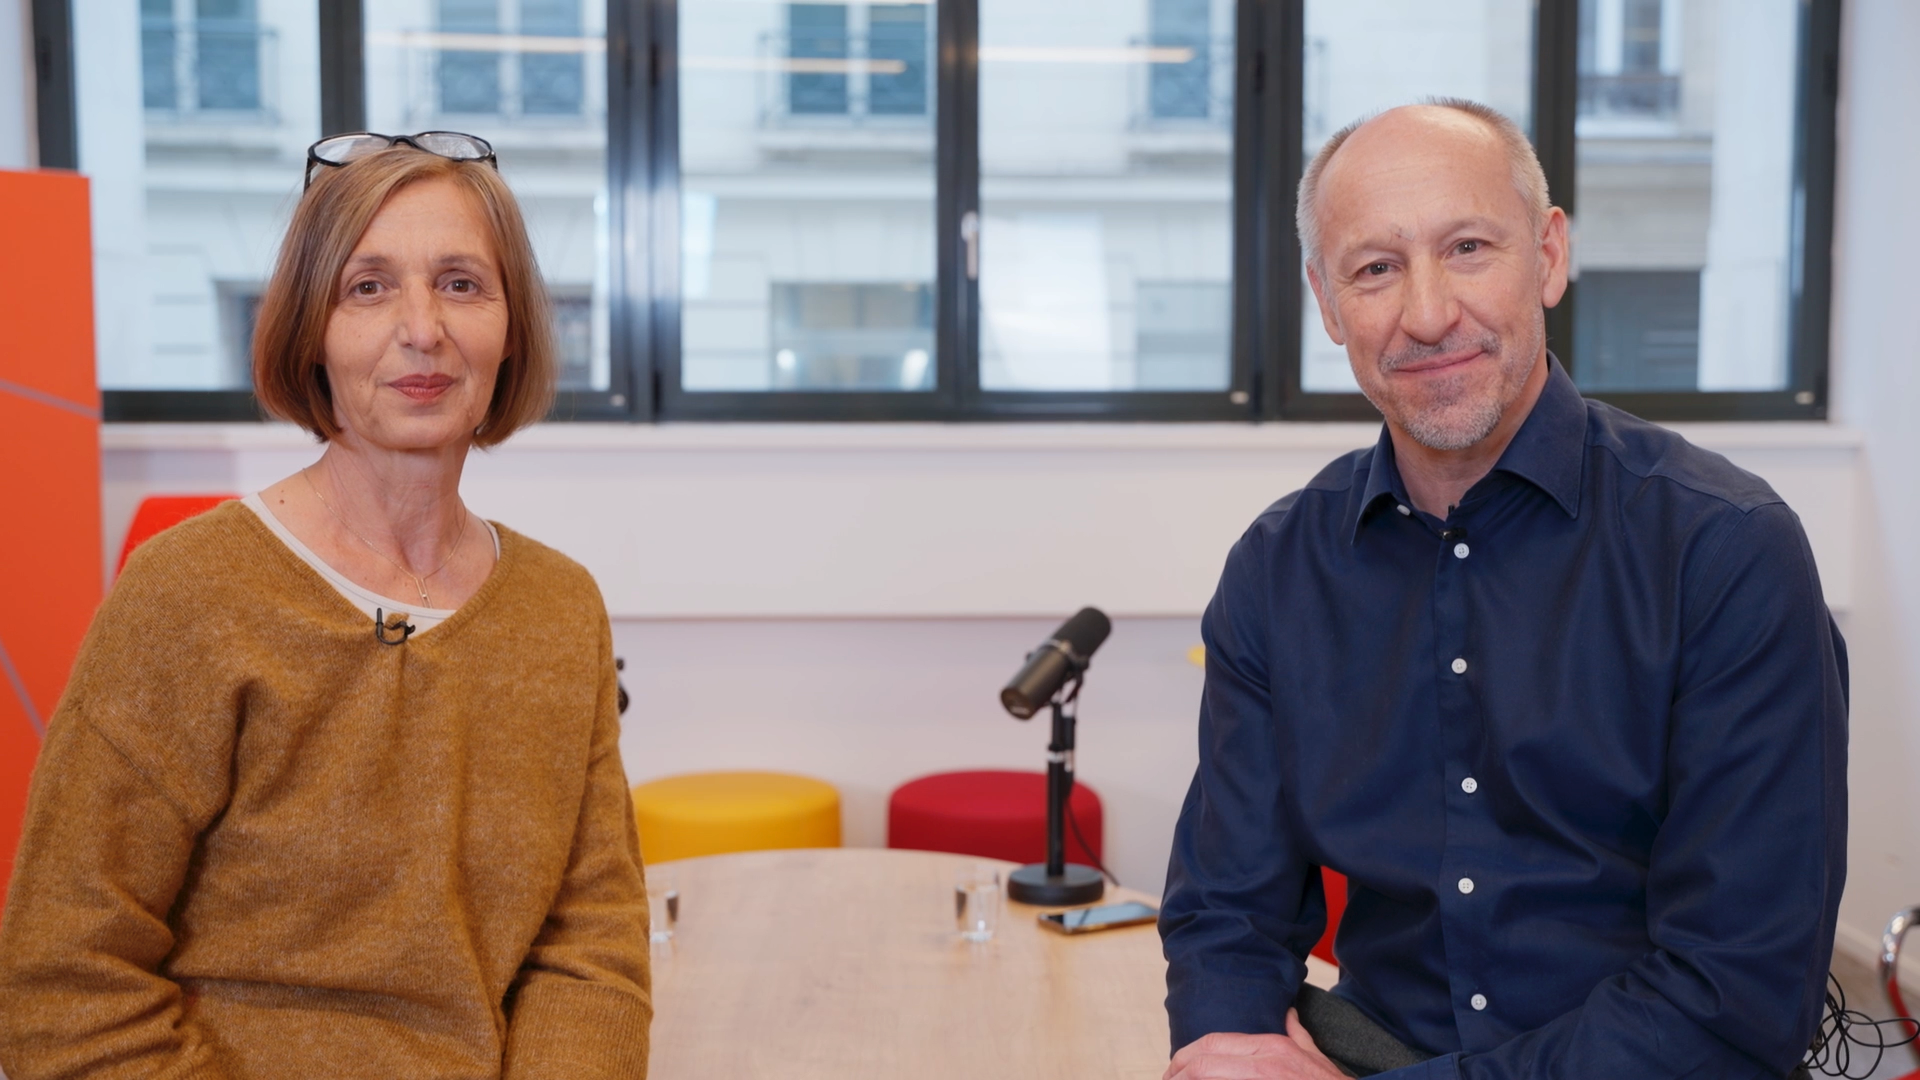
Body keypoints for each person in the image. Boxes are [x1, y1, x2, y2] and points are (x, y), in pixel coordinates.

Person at [1158, 100, 1847, 1080]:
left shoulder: (1725, 552)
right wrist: (1231, 1046)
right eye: (1375, 268)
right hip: (1373, 1051)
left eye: (1468, 248)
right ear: (1327, 302)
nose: (1428, 313)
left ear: (1549, 256)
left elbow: (1734, 995)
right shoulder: (1279, 569)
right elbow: (1228, 907)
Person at [0, 133, 652, 1079]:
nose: (422, 328)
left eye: (462, 284)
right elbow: (65, 982)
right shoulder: (187, 594)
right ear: (311, 330)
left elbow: (587, 944)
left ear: (511, 330)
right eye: (368, 287)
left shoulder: (560, 609)